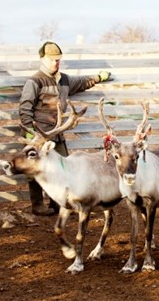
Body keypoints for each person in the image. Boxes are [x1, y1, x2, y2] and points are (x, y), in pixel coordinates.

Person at [19, 41, 113, 216]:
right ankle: (37, 205)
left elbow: (82, 82)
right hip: (39, 134)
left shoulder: (64, 80)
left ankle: (58, 203)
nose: (56, 63)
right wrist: (29, 132)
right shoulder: (34, 81)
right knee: (34, 167)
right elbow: (25, 107)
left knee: (62, 166)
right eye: (52, 59)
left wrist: (98, 77)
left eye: (58, 59)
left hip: (57, 133)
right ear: (43, 59)